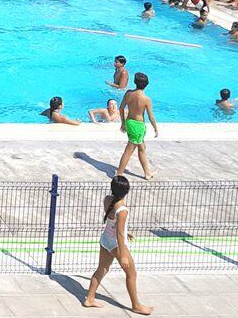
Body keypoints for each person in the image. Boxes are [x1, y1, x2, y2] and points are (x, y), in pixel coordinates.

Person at [83, 175, 152, 314]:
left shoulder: (107, 200)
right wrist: (123, 255)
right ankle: (136, 305)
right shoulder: (123, 210)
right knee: (131, 274)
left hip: (105, 239)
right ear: (127, 191)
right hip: (116, 244)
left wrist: (126, 231)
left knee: (101, 269)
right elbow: (119, 234)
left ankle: (89, 299)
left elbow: (113, 224)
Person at [117, 73, 158, 180]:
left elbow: (121, 108)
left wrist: (123, 122)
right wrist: (155, 128)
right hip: (138, 126)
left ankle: (147, 173)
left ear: (135, 82)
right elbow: (151, 117)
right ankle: (119, 174)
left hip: (129, 122)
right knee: (129, 150)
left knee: (142, 148)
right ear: (146, 84)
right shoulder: (146, 99)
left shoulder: (128, 94)